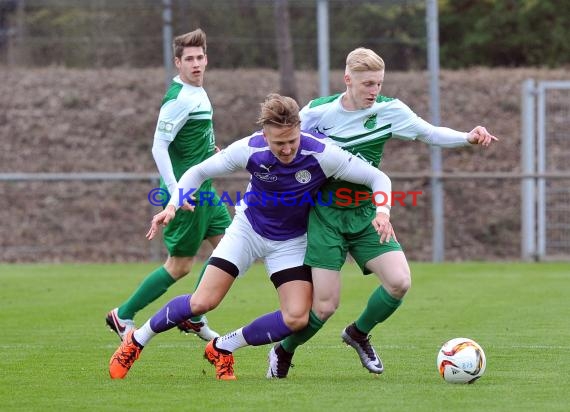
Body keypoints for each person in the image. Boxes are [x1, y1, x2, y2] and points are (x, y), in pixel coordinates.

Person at [108, 93, 395, 380]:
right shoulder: (250, 148)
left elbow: (378, 178)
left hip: (291, 242)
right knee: (202, 302)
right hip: (247, 231)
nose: (286, 150)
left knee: (296, 317)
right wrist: (172, 205)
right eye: (278, 143)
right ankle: (136, 340)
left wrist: (382, 210)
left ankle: (222, 347)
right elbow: (198, 172)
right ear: (265, 135)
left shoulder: (321, 153)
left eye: (292, 141)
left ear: (299, 129)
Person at [266, 47, 498, 378]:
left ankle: (358, 333)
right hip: (326, 216)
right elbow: (282, 136)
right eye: (367, 84)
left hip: (366, 213)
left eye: (378, 83)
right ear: (348, 79)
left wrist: (467, 138)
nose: (374, 91)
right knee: (325, 307)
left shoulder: (390, 110)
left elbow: (429, 133)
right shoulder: (318, 112)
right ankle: (283, 351)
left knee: (399, 282)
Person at [105, 29, 231, 341]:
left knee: (231, 251)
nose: (196, 64)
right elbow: (158, 147)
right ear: (178, 63)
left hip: (205, 189)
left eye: (200, 57)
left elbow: (187, 141)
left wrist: (208, 152)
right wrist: (177, 191)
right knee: (179, 266)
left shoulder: (197, 92)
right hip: (187, 194)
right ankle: (123, 315)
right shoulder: (179, 99)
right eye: (189, 59)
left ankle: (195, 315)